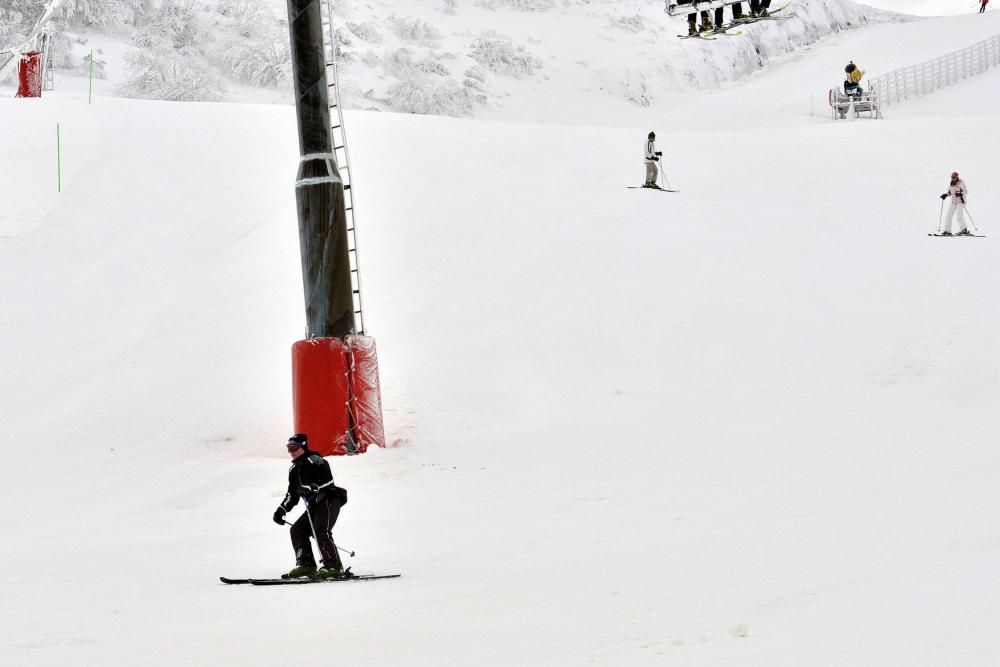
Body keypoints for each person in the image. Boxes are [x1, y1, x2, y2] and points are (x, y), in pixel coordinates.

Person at [272, 433, 349, 578]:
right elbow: (292, 494)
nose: (291, 451)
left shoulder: (316, 460)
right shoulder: (294, 470)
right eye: (288, 448)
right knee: (297, 530)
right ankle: (306, 565)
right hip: (314, 505)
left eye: (293, 447)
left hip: (329, 499)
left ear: (303, 446)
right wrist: (281, 510)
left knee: (321, 531)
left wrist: (312, 487)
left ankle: (334, 567)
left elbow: (328, 481)